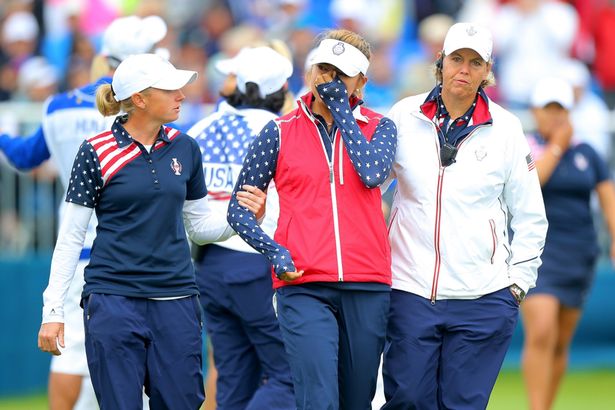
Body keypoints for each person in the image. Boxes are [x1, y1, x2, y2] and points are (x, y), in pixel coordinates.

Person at [36, 53, 266, 409]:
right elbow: (70, 237)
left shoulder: (186, 147)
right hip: (113, 300)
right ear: (140, 99)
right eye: (171, 89)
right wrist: (53, 311)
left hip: (176, 300)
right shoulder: (95, 151)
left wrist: (241, 218)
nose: (182, 96)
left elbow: (200, 226)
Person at [0, 15, 168, 410]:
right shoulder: (145, 110)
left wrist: (2, 133)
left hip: (78, 247)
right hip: (137, 249)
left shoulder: (59, 106)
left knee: (71, 353)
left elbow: (24, 156)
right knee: (137, 351)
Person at [227, 29, 398, 410]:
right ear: (310, 72)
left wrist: (343, 111)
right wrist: (273, 250)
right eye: (324, 68)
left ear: (361, 82)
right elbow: (238, 210)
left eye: (341, 73)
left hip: (367, 284)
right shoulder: (278, 131)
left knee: (357, 401)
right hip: (302, 282)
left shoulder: (380, 127)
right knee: (318, 400)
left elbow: (371, 173)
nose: (330, 80)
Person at [382, 22, 548, 409]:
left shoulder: (506, 128)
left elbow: (530, 215)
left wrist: (517, 286)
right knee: (406, 401)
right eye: (457, 58)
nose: (464, 69)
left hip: (483, 296)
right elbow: (369, 186)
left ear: (487, 71)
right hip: (410, 289)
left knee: (462, 405)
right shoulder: (404, 115)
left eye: (475, 63)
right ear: (440, 62)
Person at [187, 45, 295, 410]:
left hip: (209, 265)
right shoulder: (282, 131)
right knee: (291, 376)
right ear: (280, 88)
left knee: (235, 380)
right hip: (259, 263)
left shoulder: (201, 126)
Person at [521, 77, 615, 410]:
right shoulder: (525, 147)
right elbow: (533, 183)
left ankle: (546, 405)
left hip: (579, 252)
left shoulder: (587, 153)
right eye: (548, 109)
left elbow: (607, 197)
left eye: (560, 109)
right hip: (537, 253)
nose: (555, 116)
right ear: (535, 111)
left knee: (560, 341)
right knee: (542, 330)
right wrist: (558, 145)